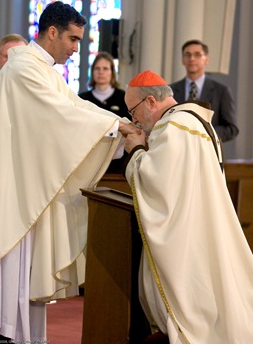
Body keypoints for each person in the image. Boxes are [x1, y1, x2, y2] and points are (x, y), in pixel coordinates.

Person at [0, 1, 136, 344]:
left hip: (25, 185)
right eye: (73, 38)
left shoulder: (43, 69)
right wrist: (117, 126)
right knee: (7, 281)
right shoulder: (25, 68)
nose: (76, 48)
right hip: (13, 189)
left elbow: (75, 106)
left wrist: (119, 124)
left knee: (20, 282)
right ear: (52, 32)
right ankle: (0, 333)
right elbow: (61, 114)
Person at [123, 70, 253, 343]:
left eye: (133, 110)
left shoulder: (174, 128)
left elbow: (157, 182)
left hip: (185, 233)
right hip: (199, 223)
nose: (133, 119)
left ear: (150, 102)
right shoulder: (193, 122)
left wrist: (136, 150)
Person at [170, 39, 239, 142]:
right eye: (187, 55)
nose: (192, 59)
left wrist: (204, 134)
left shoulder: (221, 91)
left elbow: (231, 129)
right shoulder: (170, 91)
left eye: (197, 55)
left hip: (208, 152)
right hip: (178, 150)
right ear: (182, 60)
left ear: (206, 59)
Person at [79, 51, 131, 173]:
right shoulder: (83, 99)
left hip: (117, 159)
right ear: (92, 72)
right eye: (97, 68)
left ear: (112, 72)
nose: (101, 72)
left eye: (105, 68)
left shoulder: (124, 97)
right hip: (89, 157)